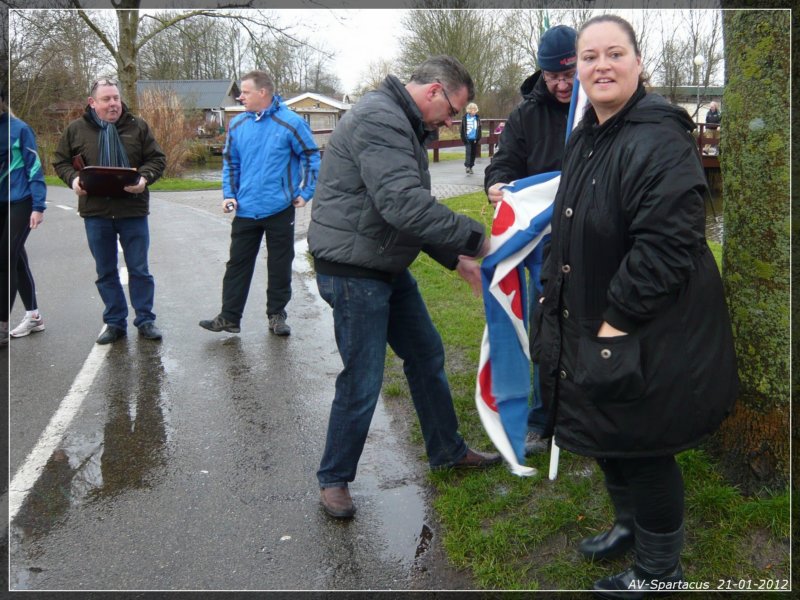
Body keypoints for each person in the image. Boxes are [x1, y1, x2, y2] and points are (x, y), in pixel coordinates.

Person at [532, 15, 738, 597]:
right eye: (589, 56)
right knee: (605, 438)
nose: (601, 66)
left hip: (645, 330)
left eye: (614, 54)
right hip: (590, 321)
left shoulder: (658, 137)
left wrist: (614, 322)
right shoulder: (588, 135)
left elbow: (670, 247)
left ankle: (660, 572)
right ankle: (628, 526)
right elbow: (568, 222)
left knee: (643, 450)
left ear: (638, 63)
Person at [308, 55, 501, 519]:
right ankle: (333, 479)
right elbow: (403, 206)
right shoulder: (380, 118)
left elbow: (405, 213)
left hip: (383, 265)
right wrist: (481, 241)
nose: (451, 120)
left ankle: (447, 451)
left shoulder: (399, 121)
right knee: (363, 377)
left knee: (426, 354)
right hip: (354, 272)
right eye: (453, 110)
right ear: (435, 90)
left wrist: (456, 261)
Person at [483, 24, 578, 456]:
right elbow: (503, 163)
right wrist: (498, 184)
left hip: (594, 237)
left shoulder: (597, 106)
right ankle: (542, 418)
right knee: (545, 328)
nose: (561, 84)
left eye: (568, 73)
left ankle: (587, 415)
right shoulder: (525, 115)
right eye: (552, 76)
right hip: (542, 242)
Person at [199, 70, 320, 337]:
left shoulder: (291, 123)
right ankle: (229, 317)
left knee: (279, 263)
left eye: (245, 92)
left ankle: (276, 316)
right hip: (246, 208)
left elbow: (311, 156)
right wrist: (229, 195)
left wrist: (306, 191)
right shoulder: (239, 124)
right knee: (237, 264)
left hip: (280, 207)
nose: (240, 97)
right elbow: (231, 162)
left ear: (262, 92)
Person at [53, 77, 166, 345]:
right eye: (107, 99)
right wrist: (73, 180)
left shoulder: (138, 127)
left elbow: (157, 159)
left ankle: (145, 320)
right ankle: (115, 323)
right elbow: (60, 161)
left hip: (133, 210)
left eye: (116, 98)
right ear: (93, 103)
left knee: (139, 269)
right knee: (105, 271)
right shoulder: (76, 130)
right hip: (96, 212)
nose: (114, 103)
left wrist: (144, 179)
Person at [1, 94, 47, 346]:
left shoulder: (19, 129)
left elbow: (34, 167)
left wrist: (38, 206)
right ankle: (34, 315)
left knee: (6, 256)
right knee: (15, 257)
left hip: (21, 200)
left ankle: (4, 323)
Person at [460, 102, 481, 174]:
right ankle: (467, 166)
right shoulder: (465, 118)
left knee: (473, 153)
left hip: (474, 139)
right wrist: (463, 138)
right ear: (469, 110)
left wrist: (478, 137)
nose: (474, 112)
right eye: (472, 110)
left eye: (475, 110)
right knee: (468, 152)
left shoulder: (477, 118)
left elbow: (479, 128)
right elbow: (462, 129)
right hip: (467, 138)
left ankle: (471, 166)